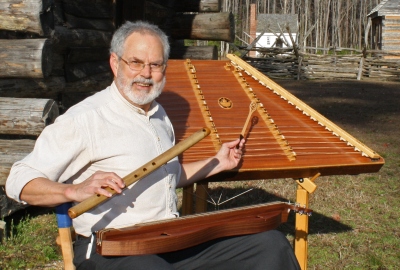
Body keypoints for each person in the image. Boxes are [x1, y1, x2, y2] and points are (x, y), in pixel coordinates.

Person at [6, 21, 300, 270]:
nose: (145, 74)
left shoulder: (158, 114)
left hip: (169, 239)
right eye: (135, 62)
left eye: (155, 65)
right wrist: (72, 190)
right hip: (111, 249)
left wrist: (217, 162)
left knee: (270, 246)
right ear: (114, 62)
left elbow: (165, 177)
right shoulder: (86, 119)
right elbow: (19, 180)